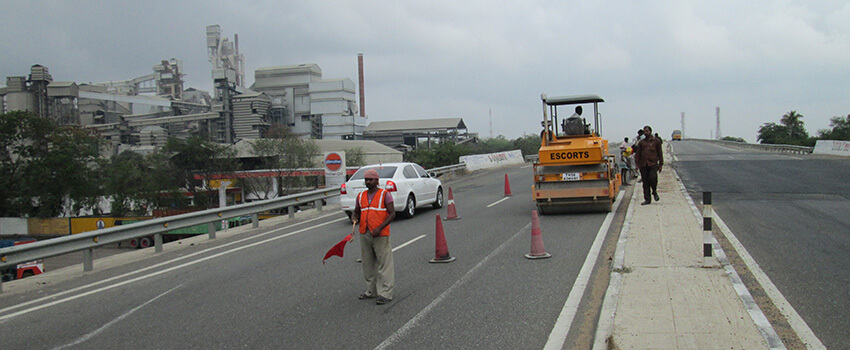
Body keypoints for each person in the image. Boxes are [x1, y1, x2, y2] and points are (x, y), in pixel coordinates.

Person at [352, 168, 396, 305]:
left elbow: (392, 213)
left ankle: (385, 293)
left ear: (377, 181)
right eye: (366, 180)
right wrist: (355, 217)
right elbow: (356, 212)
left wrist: (380, 228)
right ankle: (370, 291)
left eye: (370, 179)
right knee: (368, 264)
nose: (368, 182)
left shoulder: (385, 194)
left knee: (384, 264)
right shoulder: (361, 196)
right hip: (364, 233)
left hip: (380, 234)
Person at [634, 125, 663, 205]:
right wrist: (637, 164)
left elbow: (660, 153)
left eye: (647, 131)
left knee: (653, 178)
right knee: (645, 182)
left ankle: (654, 191)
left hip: (653, 164)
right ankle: (647, 199)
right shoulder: (641, 143)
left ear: (650, 131)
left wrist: (660, 164)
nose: (646, 132)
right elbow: (638, 154)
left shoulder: (656, 141)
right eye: (645, 131)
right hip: (643, 165)